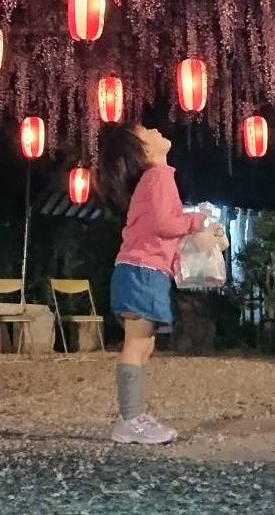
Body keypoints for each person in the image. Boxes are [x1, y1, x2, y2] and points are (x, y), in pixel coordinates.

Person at [96, 122, 226, 445]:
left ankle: (133, 414)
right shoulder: (157, 176)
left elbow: (163, 228)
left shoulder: (156, 180)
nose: (155, 129)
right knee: (136, 344)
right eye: (146, 131)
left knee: (145, 344)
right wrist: (196, 221)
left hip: (144, 272)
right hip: (141, 272)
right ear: (144, 150)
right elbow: (166, 224)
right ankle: (129, 419)